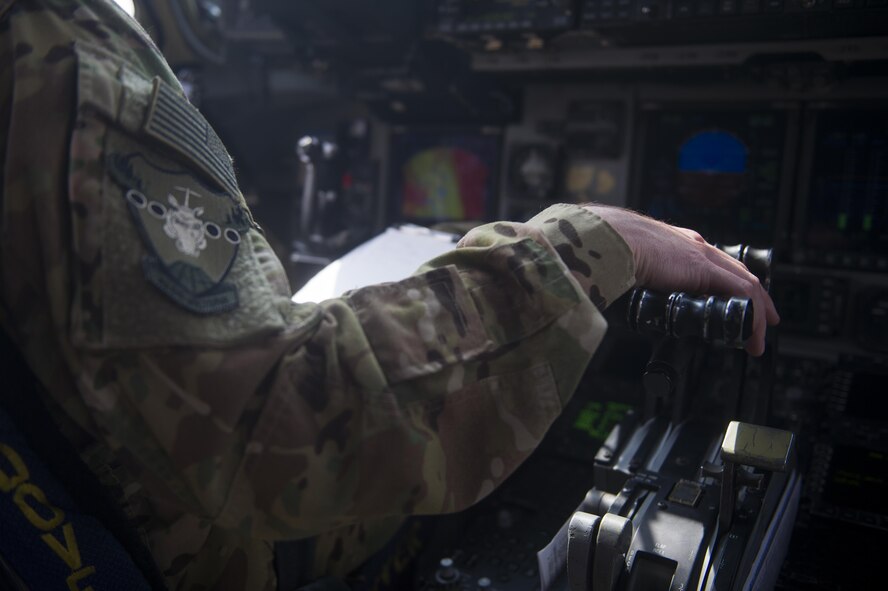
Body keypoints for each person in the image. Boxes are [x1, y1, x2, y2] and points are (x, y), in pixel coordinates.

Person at [0, 0, 779, 589]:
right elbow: (279, 431)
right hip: (198, 543)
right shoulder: (63, 55)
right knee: (451, 441)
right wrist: (591, 244)